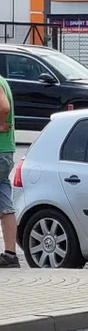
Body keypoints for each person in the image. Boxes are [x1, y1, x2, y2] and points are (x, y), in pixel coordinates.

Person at [0, 75, 17, 268]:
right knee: (5, 204)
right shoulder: (3, 81)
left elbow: (4, 107)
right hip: (6, 150)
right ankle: (11, 254)